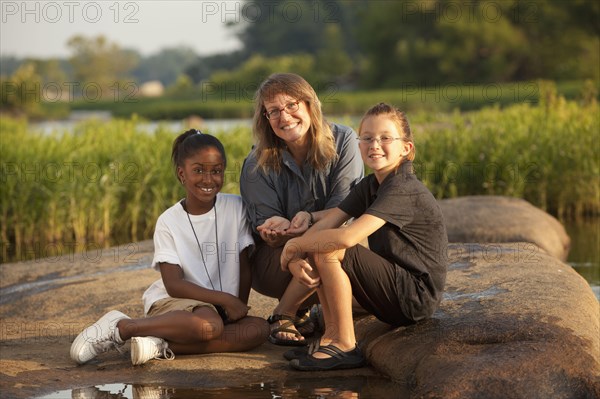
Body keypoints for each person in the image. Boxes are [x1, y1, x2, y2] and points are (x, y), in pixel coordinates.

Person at [70, 130, 268, 366]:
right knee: (209, 325)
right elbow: (174, 285)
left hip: (219, 309)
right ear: (181, 174)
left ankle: (158, 344)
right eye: (199, 170)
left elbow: (244, 266)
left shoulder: (236, 208)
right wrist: (224, 299)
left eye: (216, 171)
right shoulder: (168, 221)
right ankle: (122, 327)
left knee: (258, 329)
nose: (208, 179)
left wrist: (236, 306)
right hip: (177, 302)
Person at [280, 103, 448, 371]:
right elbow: (330, 221)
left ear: (406, 148)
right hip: (390, 288)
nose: (375, 145)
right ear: (359, 145)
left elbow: (347, 237)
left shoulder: (403, 188)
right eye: (367, 138)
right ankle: (331, 338)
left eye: (385, 138)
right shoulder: (371, 185)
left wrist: (294, 245)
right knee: (322, 243)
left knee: (329, 248)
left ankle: (345, 345)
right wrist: (296, 255)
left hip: (414, 296)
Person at [240, 73, 364, 346]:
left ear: (310, 105)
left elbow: (346, 209)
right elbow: (265, 222)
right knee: (324, 249)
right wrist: (276, 231)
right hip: (276, 261)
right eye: (273, 111)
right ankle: (286, 313)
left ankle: (290, 310)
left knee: (335, 244)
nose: (284, 117)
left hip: (325, 243)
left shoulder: (344, 141)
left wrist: (308, 222)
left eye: (292, 105)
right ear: (265, 119)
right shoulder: (256, 162)